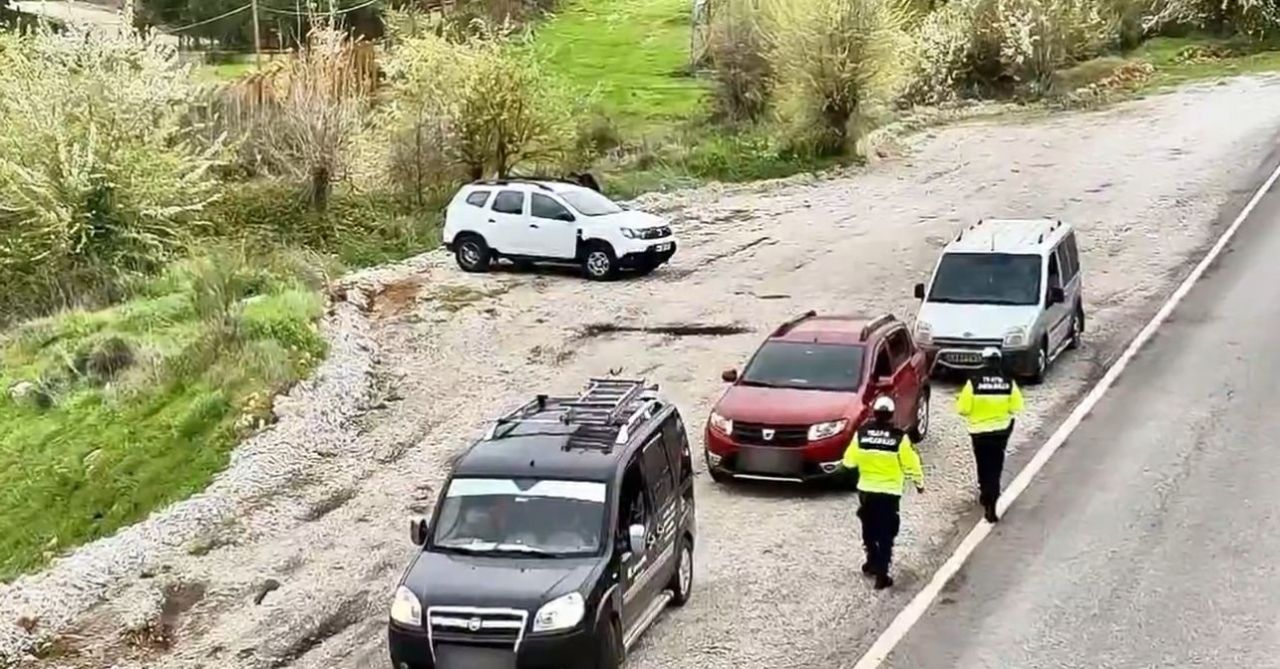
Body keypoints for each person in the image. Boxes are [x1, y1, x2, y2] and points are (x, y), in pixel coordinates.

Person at [841, 396, 925, 590]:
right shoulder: (898, 437)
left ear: (875, 413)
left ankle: (871, 561)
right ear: (890, 415)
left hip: (867, 490)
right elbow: (910, 463)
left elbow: (849, 462)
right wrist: (919, 483)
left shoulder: (862, 434)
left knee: (869, 528)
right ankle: (882, 573)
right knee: (887, 532)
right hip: (889, 492)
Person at [955, 347, 1024, 523]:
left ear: (984, 361)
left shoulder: (974, 381)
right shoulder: (1008, 382)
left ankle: (985, 493)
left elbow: (963, 409)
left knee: (983, 464)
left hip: (979, 433)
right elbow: (1016, 407)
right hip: (1000, 433)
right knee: (996, 466)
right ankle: (991, 501)